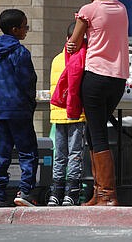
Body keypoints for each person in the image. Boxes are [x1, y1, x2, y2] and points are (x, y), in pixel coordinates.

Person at [66, 0, 129, 206]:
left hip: (95, 77)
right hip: (118, 79)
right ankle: (99, 193)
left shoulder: (88, 10)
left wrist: (76, 38)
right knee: (96, 132)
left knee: (97, 133)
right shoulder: (121, 8)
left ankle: (108, 194)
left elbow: (74, 42)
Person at [0, 9, 39, 207]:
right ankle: (25, 191)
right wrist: (30, 103)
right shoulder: (20, 52)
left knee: (0, 154)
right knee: (27, 151)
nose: (26, 30)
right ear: (15, 29)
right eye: (25, 26)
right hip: (18, 109)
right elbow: (28, 81)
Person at [47, 22, 87, 206]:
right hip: (76, 114)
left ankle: (55, 193)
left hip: (57, 114)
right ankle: (71, 193)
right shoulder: (85, 58)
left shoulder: (56, 59)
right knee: (75, 154)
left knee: (59, 154)